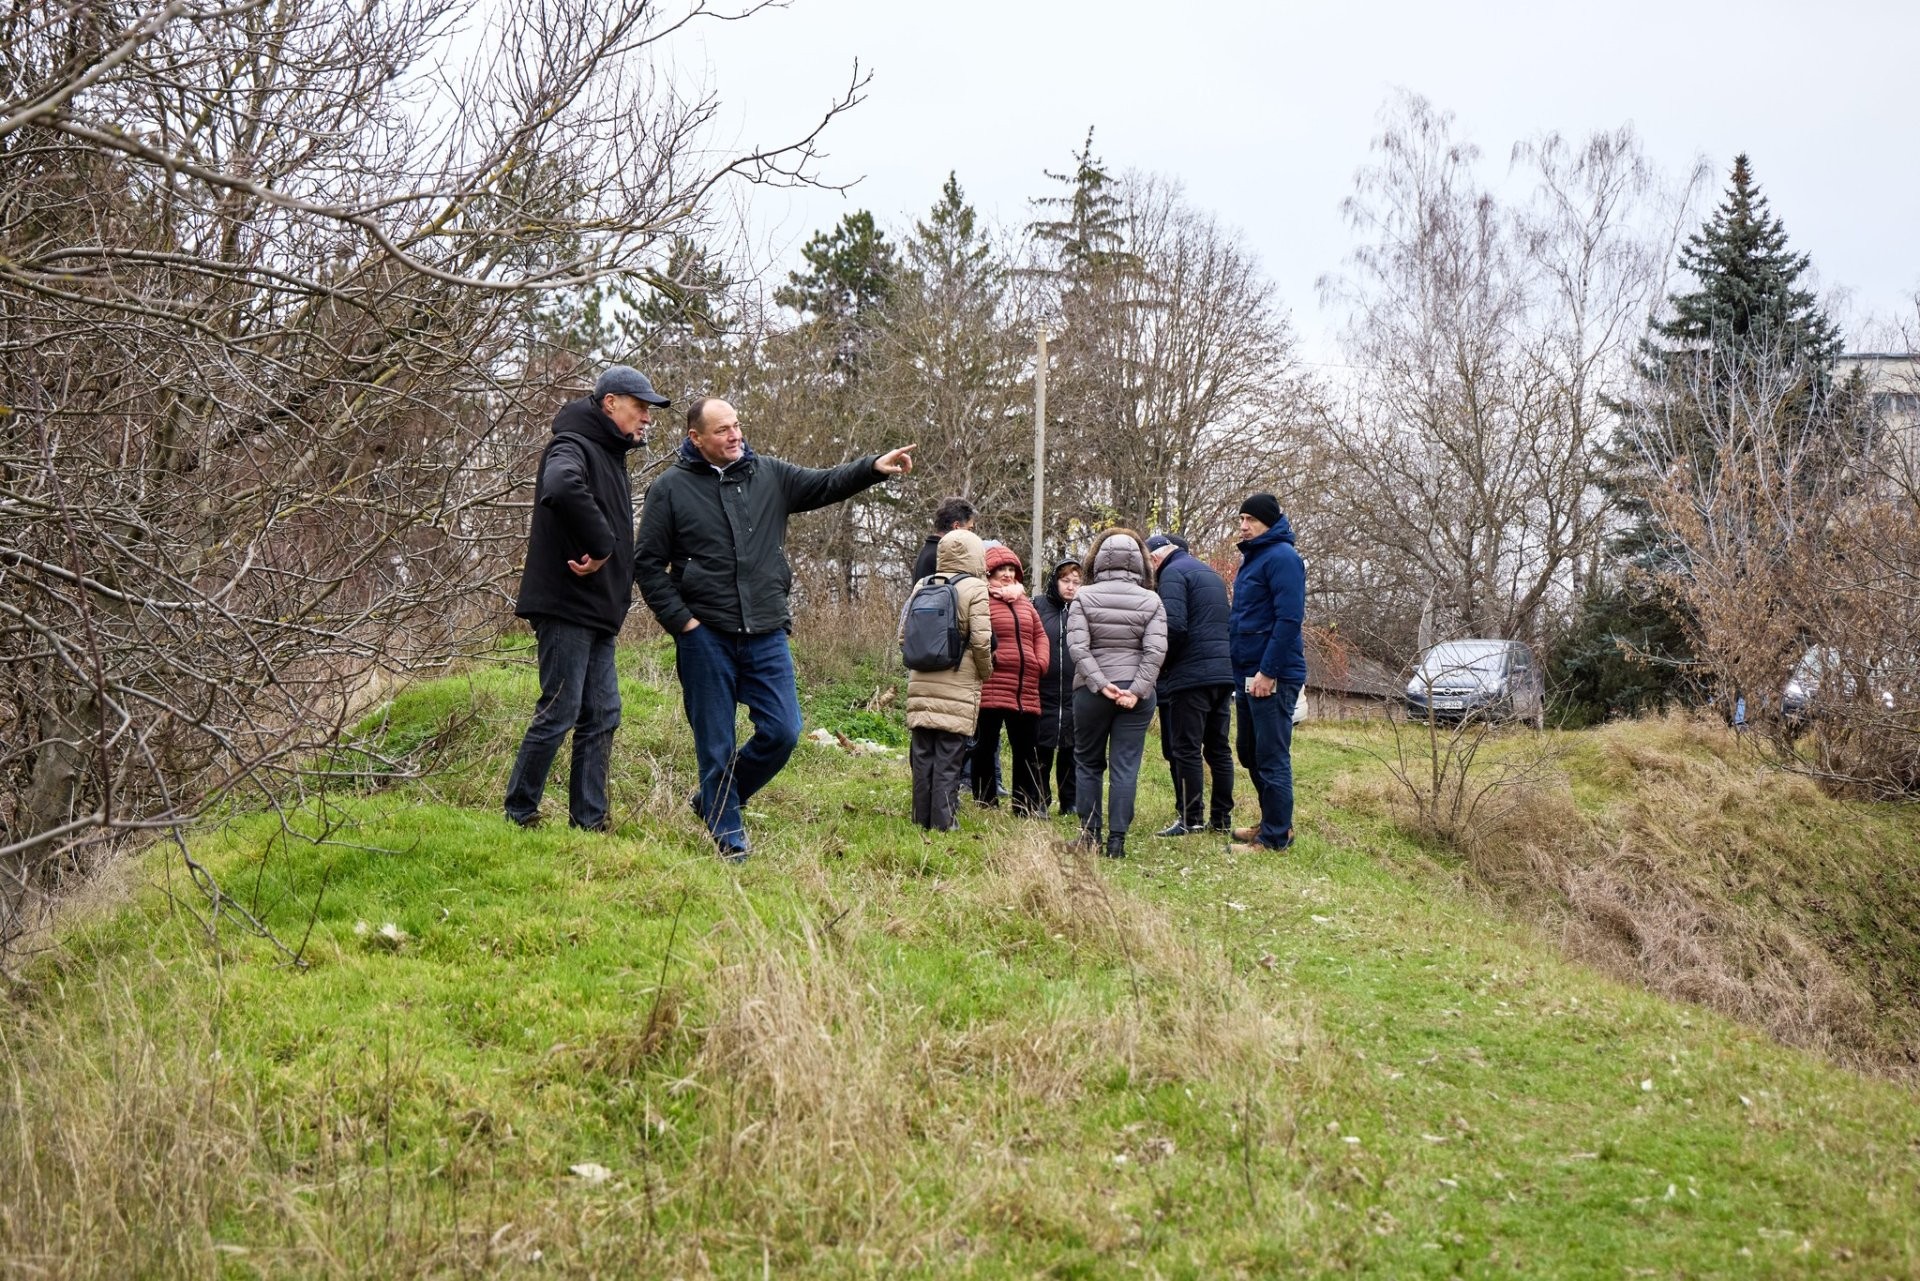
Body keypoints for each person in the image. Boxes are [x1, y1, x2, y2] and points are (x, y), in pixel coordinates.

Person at [635, 397, 915, 859]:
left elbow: (826, 483)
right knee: (716, 743)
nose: (735, 435)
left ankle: (713, 801)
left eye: (736, 425)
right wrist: (683, 623)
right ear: (696, 438)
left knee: (784, 731)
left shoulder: (769, 474)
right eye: (722, 430)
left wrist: (872, 468)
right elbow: (646, 565)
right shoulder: (669, 488)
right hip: (705, 635)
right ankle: (730, 839)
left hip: (766, 630)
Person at [505, 365, 670, 831]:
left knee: (602, 714)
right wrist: (601, 546)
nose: (647, 418)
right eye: (641, 407)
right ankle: (519, 812)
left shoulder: (607, 452)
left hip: (596, 610)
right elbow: (560, 484)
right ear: (610, 402)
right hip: (567, 604)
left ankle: (589, 823)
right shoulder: (573, 444)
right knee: (560, 709)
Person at [1064, 528, 1167, 859]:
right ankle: (1117, 842)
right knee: (1126, 765)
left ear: (1097, 560)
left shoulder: (1083, 597)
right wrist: (1136, 690)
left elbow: (1077, 647)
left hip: (1092, 693)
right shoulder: (1152, 600)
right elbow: (1155, 652)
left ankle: (1089, 835)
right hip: (1136, 695)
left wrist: (1099, 683)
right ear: (1139, 563)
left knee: (1088, 762)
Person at [1227, 492, 1306, 854]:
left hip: (1272, 675)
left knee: (1271, 757)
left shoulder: (1283, 558)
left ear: (1269, 523)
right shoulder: (1255, 557)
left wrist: (1268, 671)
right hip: (1247, 673)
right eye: (1241, 519)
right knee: (1249, 751)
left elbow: (1288, 619)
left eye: (1251, 520)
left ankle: (1275, 837)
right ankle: (1273, 821)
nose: (1243, 526)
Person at [901, 529, 994, 830]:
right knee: (949, 756)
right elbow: (981, 641)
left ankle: (920, 820)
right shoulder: (976, 588)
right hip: (958, 680)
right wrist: (985, 671)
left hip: (921, 680)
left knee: (922, 755)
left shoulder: (923, 584)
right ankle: (943, 823)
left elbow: (903, 635)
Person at [1145, 533, 1236, 836]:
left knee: (1186, 748)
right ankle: (1221, 820)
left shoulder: (1172, 573)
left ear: (1154, 558)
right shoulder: (1209, 573)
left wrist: (1162, 663)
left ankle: (1191, 818)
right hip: (1223, 673)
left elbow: (1174, 626)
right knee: (1219, 749)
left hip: (1192, 675)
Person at [972, 544, 1050, 816]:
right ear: (989, 573)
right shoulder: (982, 600)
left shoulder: (1025, 603)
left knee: (1027, 748)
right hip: (992, 683)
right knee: (985, 746)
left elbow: (1040, 635)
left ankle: (1024, 805)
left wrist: (1040, 662)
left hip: (1025, 686)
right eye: (1000, 570)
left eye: (1010, 569)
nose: (1007, 574)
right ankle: (985, 802)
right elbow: (977, 634)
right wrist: (991, 659)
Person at [1032, 557, 1082, 816]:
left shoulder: (1084, 609)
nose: (1070, 587)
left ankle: (1069, 800)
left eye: (1076, 582)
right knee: (1042, 747)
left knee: (1071, 749)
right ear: (1055, 581)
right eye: (1065, 581)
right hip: (1043, 689)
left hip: (1074, 690)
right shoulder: (1038, 605)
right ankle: (1040, 799)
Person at [913, 496, 976, 583]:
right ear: (956, 527)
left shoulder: (929, 551)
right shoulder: (942, 555)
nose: (971, 535)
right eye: (969, 529)